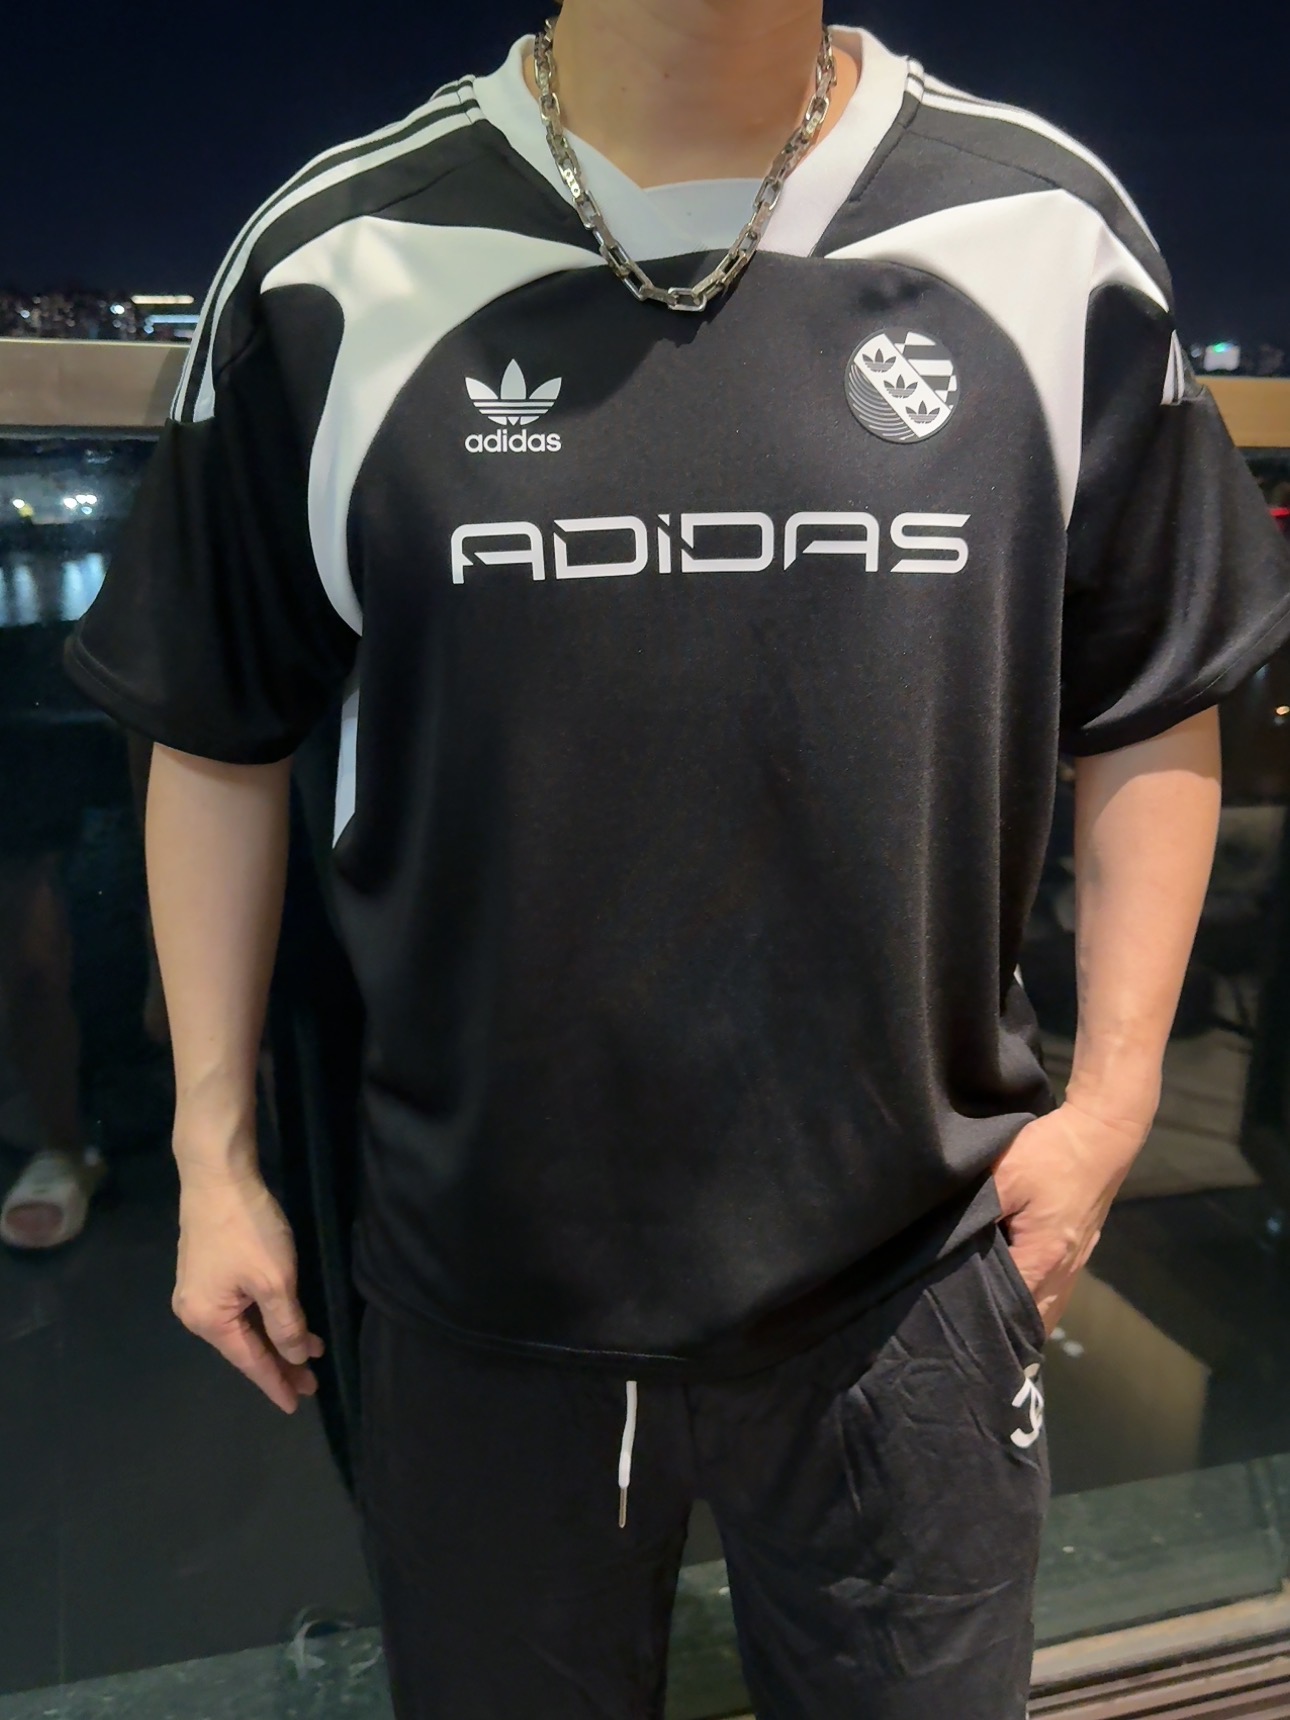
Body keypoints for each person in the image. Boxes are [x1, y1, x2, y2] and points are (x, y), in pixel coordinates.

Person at [64, 2, 1290, 1714]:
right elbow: (215, 727)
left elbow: (1151, 693)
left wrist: (1106, 1116)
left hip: (913, 1265)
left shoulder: (1040, 230)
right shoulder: (332, 258)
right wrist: (213, 1154)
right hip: (481, 1273)